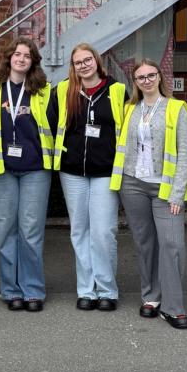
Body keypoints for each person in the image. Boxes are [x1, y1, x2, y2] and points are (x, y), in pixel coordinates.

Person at [110, 59, 187, 329]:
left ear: (159, 77)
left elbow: (186, 153)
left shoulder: (176, 108)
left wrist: (178, 193)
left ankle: (173, 307)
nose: (146, 80)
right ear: (135, 82)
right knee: (145, 243)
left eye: (151, 75)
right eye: (140, 77)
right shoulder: (129, 109)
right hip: (133, 185)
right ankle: (151, 297)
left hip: (164, 188)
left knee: (172, 245)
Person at [47, 43, 126, 311]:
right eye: (78, 62)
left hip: (106, 171)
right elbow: (51, 125)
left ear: (97, 61)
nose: (83, 65)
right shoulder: (62, 91)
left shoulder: (116, 90)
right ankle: (86, 290)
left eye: (87, 59)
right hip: (72, 172)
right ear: (73, 66)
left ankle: (107, 290)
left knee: (103, 232)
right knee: (80, 231)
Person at [0, 38, 53, 313]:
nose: (21, 59)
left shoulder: (43, 90)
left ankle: (32, 289)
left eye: (27, 55)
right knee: (5, 231)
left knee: (31, 232)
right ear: (9, 57)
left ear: (33, 61)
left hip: (35, 169)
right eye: (17, 54)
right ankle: (11, 290)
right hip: (2, 169)